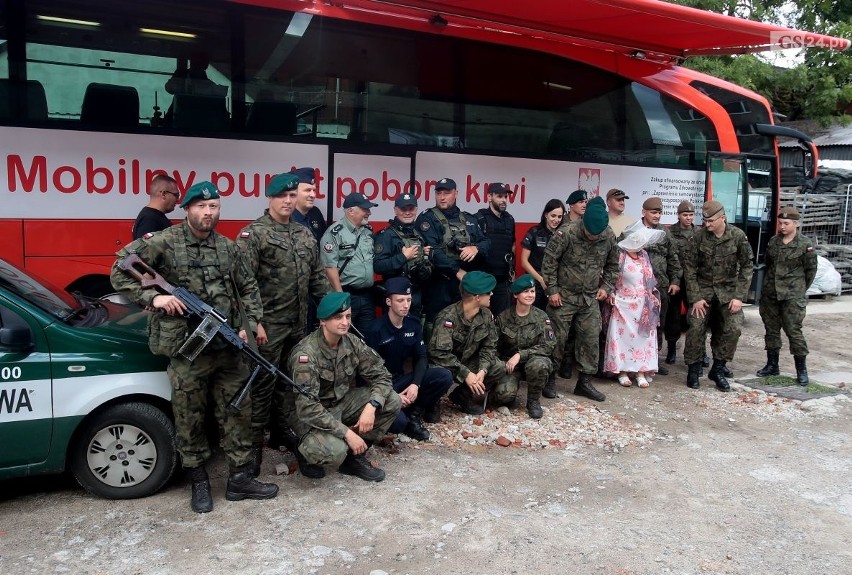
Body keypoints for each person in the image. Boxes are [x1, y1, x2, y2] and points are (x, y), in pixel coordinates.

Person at [110, 181, 278, 513]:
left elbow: (248, 288)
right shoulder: (164, 242)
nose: (208, 213)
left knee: (237, 410)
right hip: (188, 348)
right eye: (201, 207)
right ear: (187, 209)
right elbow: (120, 270)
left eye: (213, 207)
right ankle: (199, 481)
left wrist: (249, 325)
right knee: (190, 415)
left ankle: (240, 479)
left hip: (227, 346)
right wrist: (155, 296)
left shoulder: (229, 248)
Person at [236, 172, 330, 478]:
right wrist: (252, 322)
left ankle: (282, 432)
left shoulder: (304, 235)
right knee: (260, 388)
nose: (288, 201)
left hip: (296, 326)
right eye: (282, 197)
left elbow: (317, 277)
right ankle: (252, 453)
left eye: (292, 196)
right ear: (270, 198)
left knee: (290, 384)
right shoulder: (254, 235)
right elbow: (241, 283)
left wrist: (334, 308)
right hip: (267, 328)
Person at [288, 292, 401, 482]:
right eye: (338, 317)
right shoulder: (306, 354)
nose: (344, 322)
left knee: (392, 400)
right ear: (323, 321)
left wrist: (372, 406)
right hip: (310, 415)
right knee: (334, 451)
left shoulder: (351, 342)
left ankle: (354, 457)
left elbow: (381, 375)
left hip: (340, 404)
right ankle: (306, 452)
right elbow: (307, 408)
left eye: (348, 316)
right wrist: (347, 433)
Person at [541, 196, 618, 402]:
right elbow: (549, 263)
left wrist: (606, 287)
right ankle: (549, 378)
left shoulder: (608, 235)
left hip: (589, 297)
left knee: (591, 337)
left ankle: (584, 382)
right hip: (563, 296)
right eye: (589, 234)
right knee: (555, 339)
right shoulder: (566, 233)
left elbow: (613, 266)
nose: (593, 237)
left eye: (596, 235)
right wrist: (552, 291)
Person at [365, 277, 453, 440]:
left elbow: (421, 357)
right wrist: (392, 396)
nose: (406, 305)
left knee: (443, 376)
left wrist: (415, 384)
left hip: (401, 380)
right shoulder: (375, 330)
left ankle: (414, 415)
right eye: (400, 300)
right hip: (381, 386)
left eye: (408, 300)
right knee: (398, 425)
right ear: (388, 302)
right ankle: (400, 414)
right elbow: (366, 374)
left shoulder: (413, 324)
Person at [683, 201, 753, 391]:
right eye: (705, 220)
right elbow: (689, 269)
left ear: (723, 217)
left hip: (728, 293)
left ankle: (719, 368)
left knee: (733, 327)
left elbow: (747, 267)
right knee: (696, 326)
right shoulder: (698, 237)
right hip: (703, 291)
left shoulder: (738, 236)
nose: (707, 224)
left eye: (711, 220)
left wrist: (739, 296)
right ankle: (693, 367)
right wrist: (695, 297)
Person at [429, 271, 514, 415]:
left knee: (498, 366)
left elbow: (489, 347)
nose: (492, 294)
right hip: (447, 365)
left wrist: (483, 370)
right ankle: (432, 402)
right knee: (442, 373)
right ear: (477, 297)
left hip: (468, 362)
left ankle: (462, 396)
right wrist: (466, 374)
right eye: (488, 292)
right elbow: (439, 354)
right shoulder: (447, 317)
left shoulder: (486, 315)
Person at [756, 206, 818, 385]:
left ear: (795, 224)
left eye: (786, 223)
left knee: (794, 331)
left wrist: (798, 290)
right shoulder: (774, 242)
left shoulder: (805, 245)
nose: (782, 226)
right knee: (771, 330)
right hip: (771, 294)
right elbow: (768, 263)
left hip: (792, 295)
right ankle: (772, 365)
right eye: (780, 223)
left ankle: (801, 370)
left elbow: (810, 271)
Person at [416, 177, 490, 325]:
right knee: (437, 324)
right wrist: (458, 271)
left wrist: (475, 248)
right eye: (439, 193)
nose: (442, 197)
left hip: (464, 284)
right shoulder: (428, 218)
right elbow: (433, 251)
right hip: (439, 282)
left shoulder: (468, 218)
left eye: (447, 193)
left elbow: (487, 242)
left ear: (456, 193)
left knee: (464, 323)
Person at [603, 226, 665, 388]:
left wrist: (652, 294)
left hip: (643, 303)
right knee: (622, 338)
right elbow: (609, 274)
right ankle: (622, 371)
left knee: (643, 338)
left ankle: (641, 371)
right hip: (622, 302)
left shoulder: (644, 255)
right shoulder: (620, 256)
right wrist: (610, 292)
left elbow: (649, 279)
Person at [495, 274, 557, 418]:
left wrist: (520, 355)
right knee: (503, 396)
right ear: (516, 295)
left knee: (539, 364)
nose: (530, 295)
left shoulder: (541, 317)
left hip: (533, 361)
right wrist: (500, 366)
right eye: (526, 291)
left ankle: (533, 401)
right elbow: (493, 347)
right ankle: (509, 394)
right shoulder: (503, 318)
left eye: (532, 291)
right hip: (510, 366)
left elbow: (548, 346)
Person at [320, 192, 378, 336]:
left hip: (367, 296)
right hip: (346, 294)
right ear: (350, 211)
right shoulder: (334, 233)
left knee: (367, 338)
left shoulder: (367, 232)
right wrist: (341, 298)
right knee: (343, 337)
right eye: (365, 209)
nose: (369, 213)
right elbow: (329, 268)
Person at [373, 192, 433, 320]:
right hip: (395, 297)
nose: (407, 212)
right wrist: (403, 257)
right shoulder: (386, 235)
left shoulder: (419, 234)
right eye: (403, 209)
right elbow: (378, 266)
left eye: (411, 209)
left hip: (416, 294)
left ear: (416, 210)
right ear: (395, 210)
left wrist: (425, 254)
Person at [639, 197, 681, 376]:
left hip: (660, 287)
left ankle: (653, 359)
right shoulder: (633, 230)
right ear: (644, 212)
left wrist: (675, 281)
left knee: (658, 324)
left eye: (659, 213)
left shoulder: (665, 232)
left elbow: (673, 258)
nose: (657, 216)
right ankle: (637, 358)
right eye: (653, 212)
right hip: (638, 288)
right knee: (638, 324)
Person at [476, 182, 516, 316]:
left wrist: (512, 270)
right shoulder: (480, 218)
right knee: (481, 318)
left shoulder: (510, 219)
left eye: (505, 196)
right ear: (489, 197)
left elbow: (512, 246)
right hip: (484, 279)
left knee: (503, 319)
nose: (504, 200)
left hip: (503, 280)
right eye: (499, 196)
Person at [664, 200, 697, 365]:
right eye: (685, 215)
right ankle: (671, 349)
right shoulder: (670, 232)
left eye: (691, 215)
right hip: (676, 281)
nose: (688, 218)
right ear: (678, 215)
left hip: (694, 283)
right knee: (673, 317)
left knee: (697, 318)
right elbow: (670, 258)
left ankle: (699, 352)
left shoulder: (698, 233)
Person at [520, 199, 566, 311]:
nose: (556, 220)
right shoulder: (534, 232)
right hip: (535, 283)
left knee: (553, 321)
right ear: (546, 214)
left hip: (556, 285)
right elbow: (524, 262)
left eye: (559, 217)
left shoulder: (564, 235)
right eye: (553, 216)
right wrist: (540, 279)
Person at [131, 174, 179, 239]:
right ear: (163, 194)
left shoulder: (152, 217)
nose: (177, 199)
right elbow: (146, 248)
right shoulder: (149, 220)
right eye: (176, 195)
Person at [290, 167, 328, 244]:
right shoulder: (285, 217)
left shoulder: (316, 212)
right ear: (294, 192)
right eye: (307, 190)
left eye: (314, 190)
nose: (313, 195)